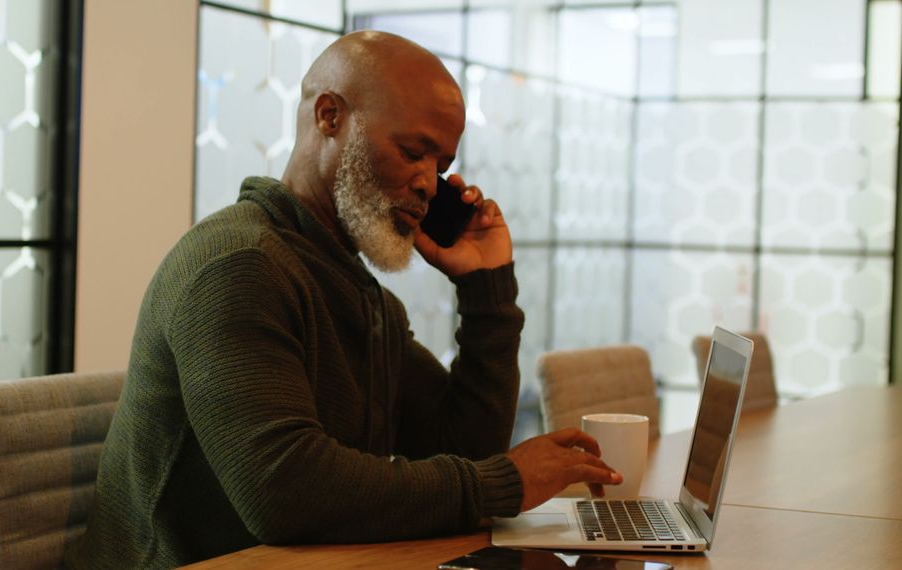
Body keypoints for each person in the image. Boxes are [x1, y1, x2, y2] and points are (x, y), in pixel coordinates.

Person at [64, 30, 621, 569]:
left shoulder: (361, 295)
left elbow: (467, 448)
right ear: (329, 117)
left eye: (441, 166)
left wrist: (486, 292)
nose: (428, 184)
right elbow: (285, 492)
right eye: (412, 152)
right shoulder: (238, 266)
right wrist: (504, 482)